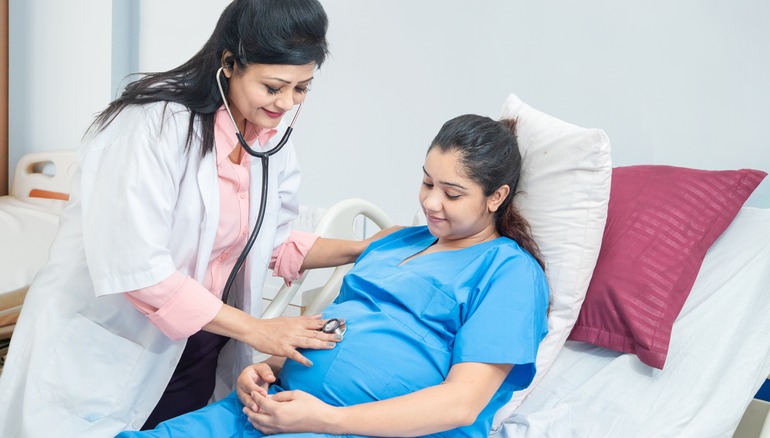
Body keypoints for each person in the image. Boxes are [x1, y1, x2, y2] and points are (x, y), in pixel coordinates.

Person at [0, 1, 383, 436]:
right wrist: (257, 331)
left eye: (302, 88)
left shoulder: (268, 145)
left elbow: (268, 241)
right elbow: (139, 270)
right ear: (229, 63)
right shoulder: (148, 128)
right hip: (112, 351)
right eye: (274, 86)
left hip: (199, 347)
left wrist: (365, 248)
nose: (286, 103)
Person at [121, 114, 550, 437]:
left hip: (349, 426)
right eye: (426, 183)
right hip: (273, 410)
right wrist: (265, 369)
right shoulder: (394, 243)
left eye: (452, 193)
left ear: (496, 197)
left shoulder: (509, 273)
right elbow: (334, 327)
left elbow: (462, 404)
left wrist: (325, 417)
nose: (431, 203)